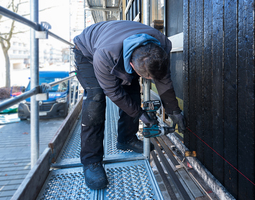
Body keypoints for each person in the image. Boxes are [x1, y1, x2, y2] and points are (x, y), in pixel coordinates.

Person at [73, 20, 186, 190]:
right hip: (87, 52)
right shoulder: (105, 56)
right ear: (132, 65)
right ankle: (91, 162)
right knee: (96, 100)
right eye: (146, 77)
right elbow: (114, 93)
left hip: (119, 46)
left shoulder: (163, 44)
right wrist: (140, 114)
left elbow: (164, 81)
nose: (149, 80)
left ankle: (126, 139)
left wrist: (174, 111)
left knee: (132, 92)